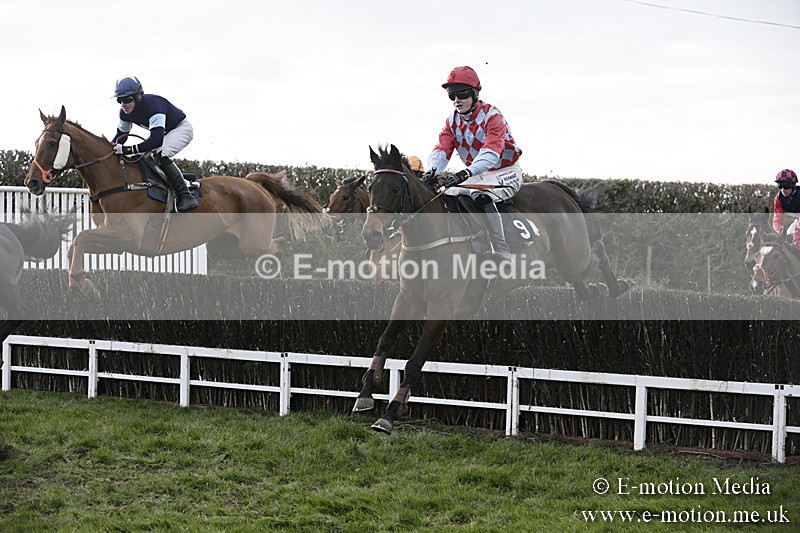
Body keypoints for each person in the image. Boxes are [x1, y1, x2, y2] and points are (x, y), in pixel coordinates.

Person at [427, 66, 522, 261]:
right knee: (447, 193)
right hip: (477, 174)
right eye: (451, 95)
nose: (456, 100)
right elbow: (441, 149)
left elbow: (490, 154)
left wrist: (464, 174)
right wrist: (432, 171)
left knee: (480, 195)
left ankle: (501, 249)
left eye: (461, 94)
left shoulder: (492, 116)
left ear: (474, 93)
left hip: (505, 170)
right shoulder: (451, 122)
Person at [111, 76, 198, 212]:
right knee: (140, 157)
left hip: (181, 129)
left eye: (127, 99)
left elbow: (156, 141)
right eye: (119, 100)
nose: (123, 104)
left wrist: (127, 150)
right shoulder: (124, 113)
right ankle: (176, 178)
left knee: (159, 155)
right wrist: (109, 149)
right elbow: (120, 137)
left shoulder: (154, 105)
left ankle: (185, 194)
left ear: (138, 97)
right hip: (164, 133)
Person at [772, 169, 800, 249]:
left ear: (793, 186)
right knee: (786, 238)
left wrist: (797, 232)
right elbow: (778, 219)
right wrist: (779, 231)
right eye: (780, 186)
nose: (783, 190)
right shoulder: (778, 199)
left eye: (786, 187)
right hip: (797, 220)